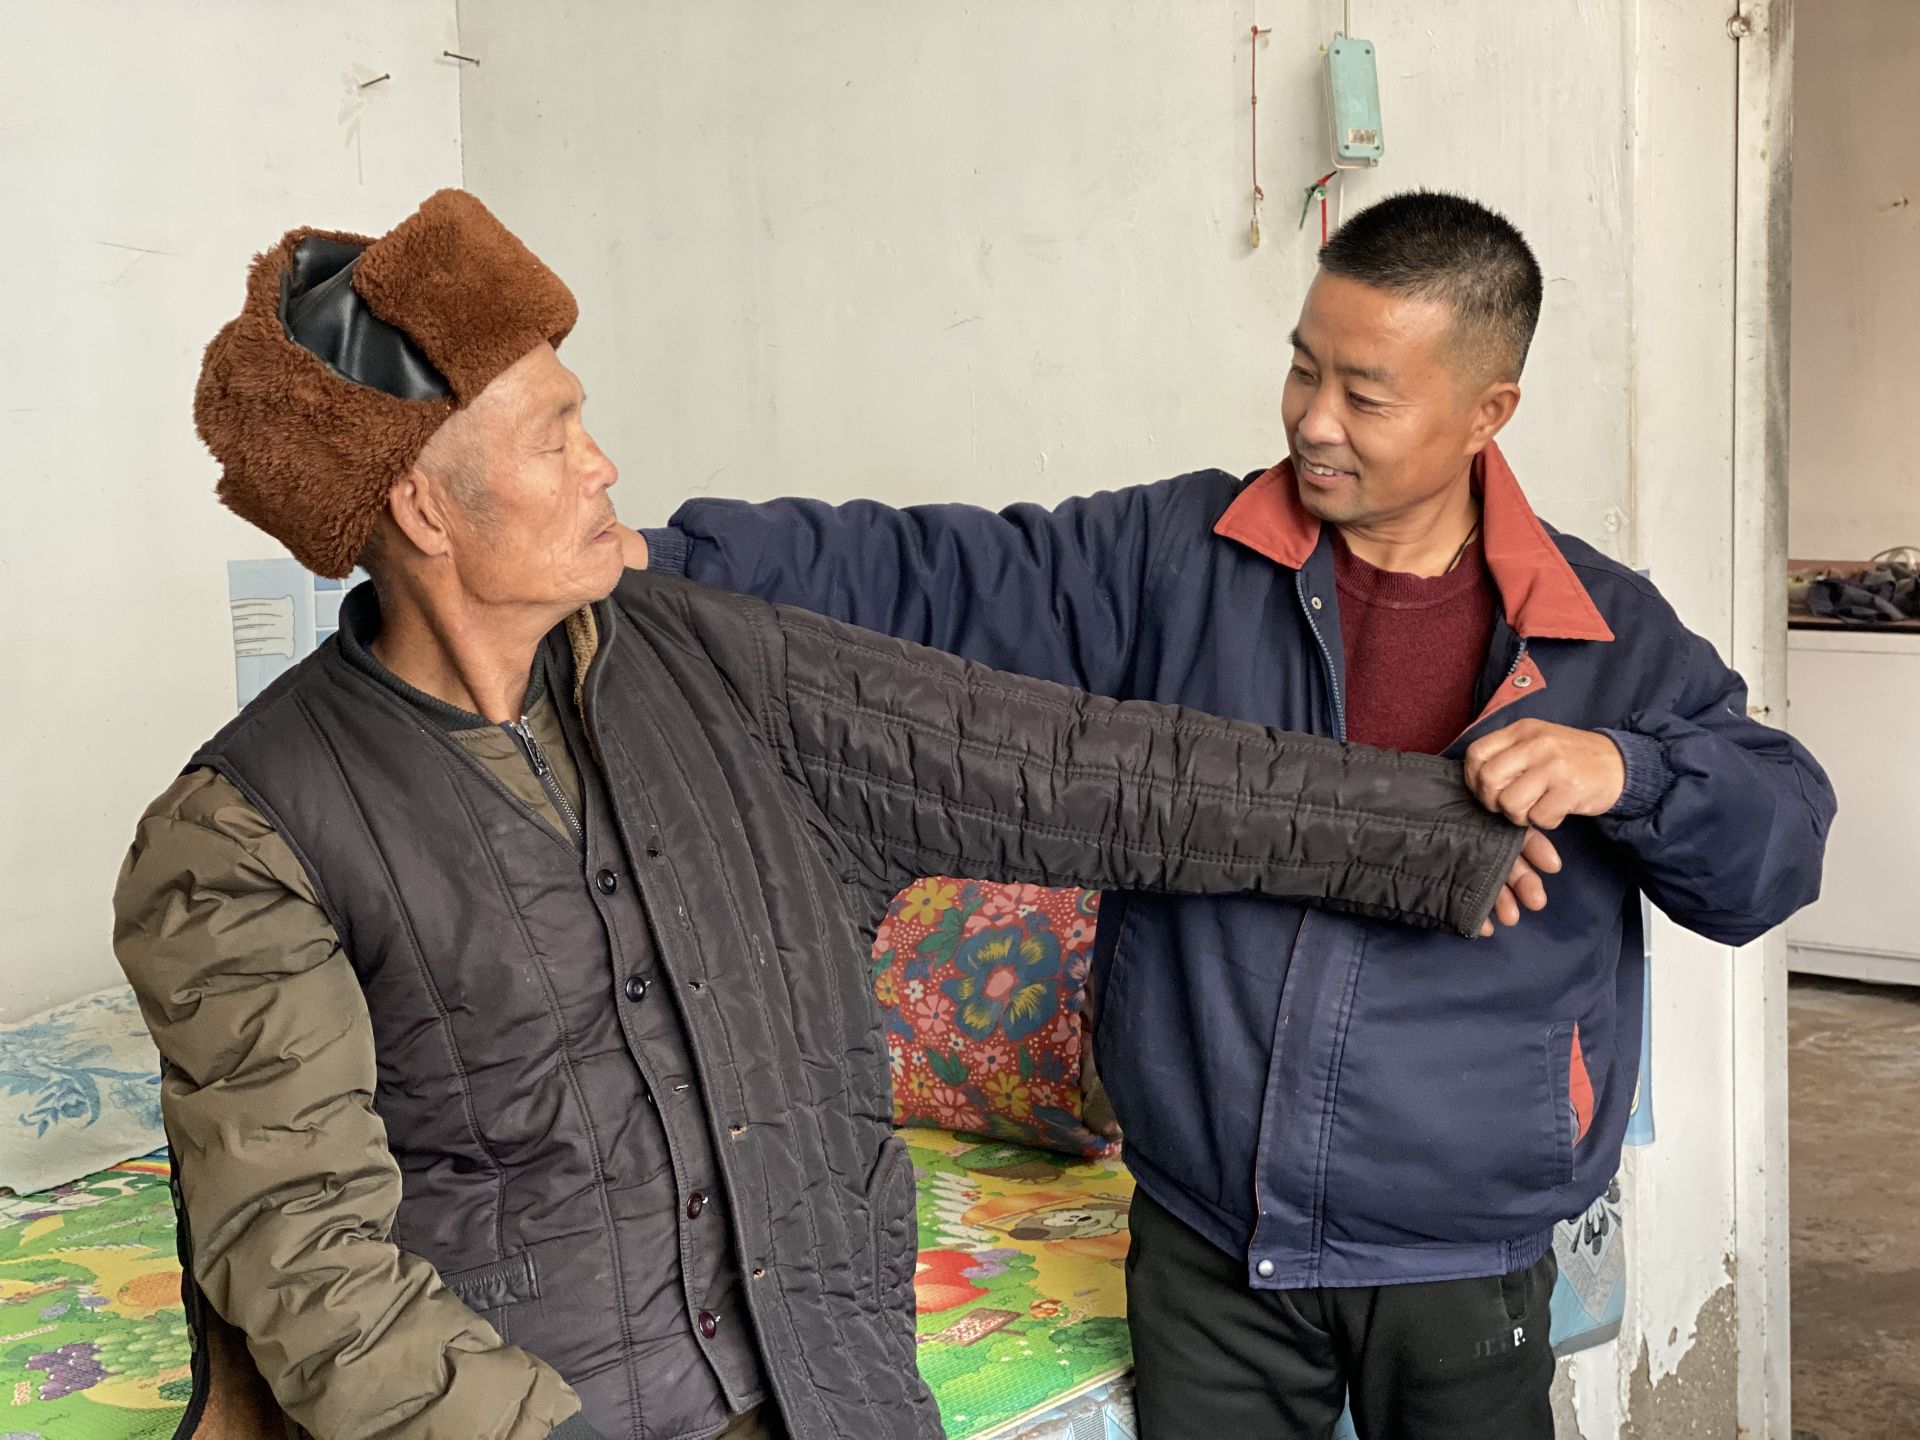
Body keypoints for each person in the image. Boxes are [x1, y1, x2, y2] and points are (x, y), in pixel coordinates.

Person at [113, 191, 1552, 1440]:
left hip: (835, 1392)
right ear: (427, 512)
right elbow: (307, 1262)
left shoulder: (722, 667)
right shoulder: (241, 836)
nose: (605, 466)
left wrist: (1442, 830)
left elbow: (1087, 770)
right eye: (556, 439)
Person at [631, 190, 1837, 1440]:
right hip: (1208, 1234)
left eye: (1366, 395)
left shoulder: (1598, 629)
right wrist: (671, 560)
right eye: (1304, 369)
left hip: (1460, 1251)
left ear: (1489, 413)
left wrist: (1631, 772)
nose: (1315, 420)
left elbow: (1775, 849)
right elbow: (935, 573)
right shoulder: (1182, 559)